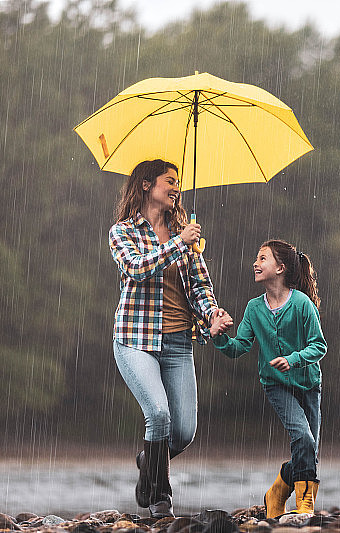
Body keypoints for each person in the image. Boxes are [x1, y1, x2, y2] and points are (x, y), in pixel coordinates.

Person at [109, 159, 230, 518]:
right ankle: (161, 501)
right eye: (170, 181)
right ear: (146, 185)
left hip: (178, 343)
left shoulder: (187, 234)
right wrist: (178, 242)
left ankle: (149, 460)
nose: (176, 187)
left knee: (184, 432)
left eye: (178, 182)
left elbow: (200, 287)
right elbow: (138, 269)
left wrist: (212, 314)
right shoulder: (122, 231)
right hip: (135, 340)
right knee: (158, 415)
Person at [209, 239, 326, 517]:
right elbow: (239, 348)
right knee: (303, 439)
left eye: (263, 259)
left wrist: (293, 359)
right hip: (276, 386)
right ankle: (305, 508)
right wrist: (219, 337)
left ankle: (276, 493)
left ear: (280, 268)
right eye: (256, 258)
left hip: (309, 385)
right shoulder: (253, 309)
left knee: (308, 450)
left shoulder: (302, 304)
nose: (255, 263)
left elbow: (319, 345)